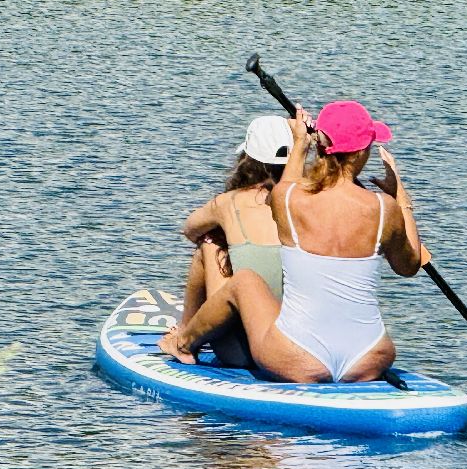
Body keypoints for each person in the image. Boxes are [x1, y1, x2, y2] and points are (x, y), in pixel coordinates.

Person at [159, 101, 425, 383]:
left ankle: (182, 343)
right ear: (361, 151)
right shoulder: (385, 208)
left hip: (299, 357)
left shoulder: (289, 200)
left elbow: (286, 187)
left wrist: (300, 143)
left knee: (245, 280)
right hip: (369, 356)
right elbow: (410, 266)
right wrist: (401, 198)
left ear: (321, 148)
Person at [174, 116, 289, 365]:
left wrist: (225, 233)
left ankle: (184, 333)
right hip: (291, 346)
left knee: (209, 243)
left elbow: (189, 230)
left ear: (248, 161)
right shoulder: (304, 203)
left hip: (238, 352)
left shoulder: (229, 202)